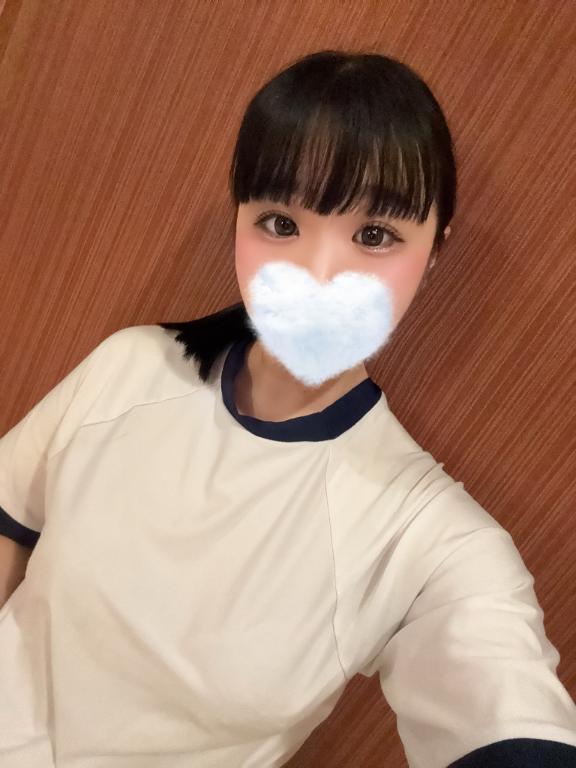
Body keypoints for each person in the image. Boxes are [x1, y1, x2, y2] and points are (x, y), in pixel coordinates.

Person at [0, 49, 575, 768]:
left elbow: (506, 706)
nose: (318, 275)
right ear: (238, 222)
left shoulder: (426, 539)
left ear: (434, 254)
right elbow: (10, 519)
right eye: (279, 222)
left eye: (375, 236)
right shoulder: (130, 366)